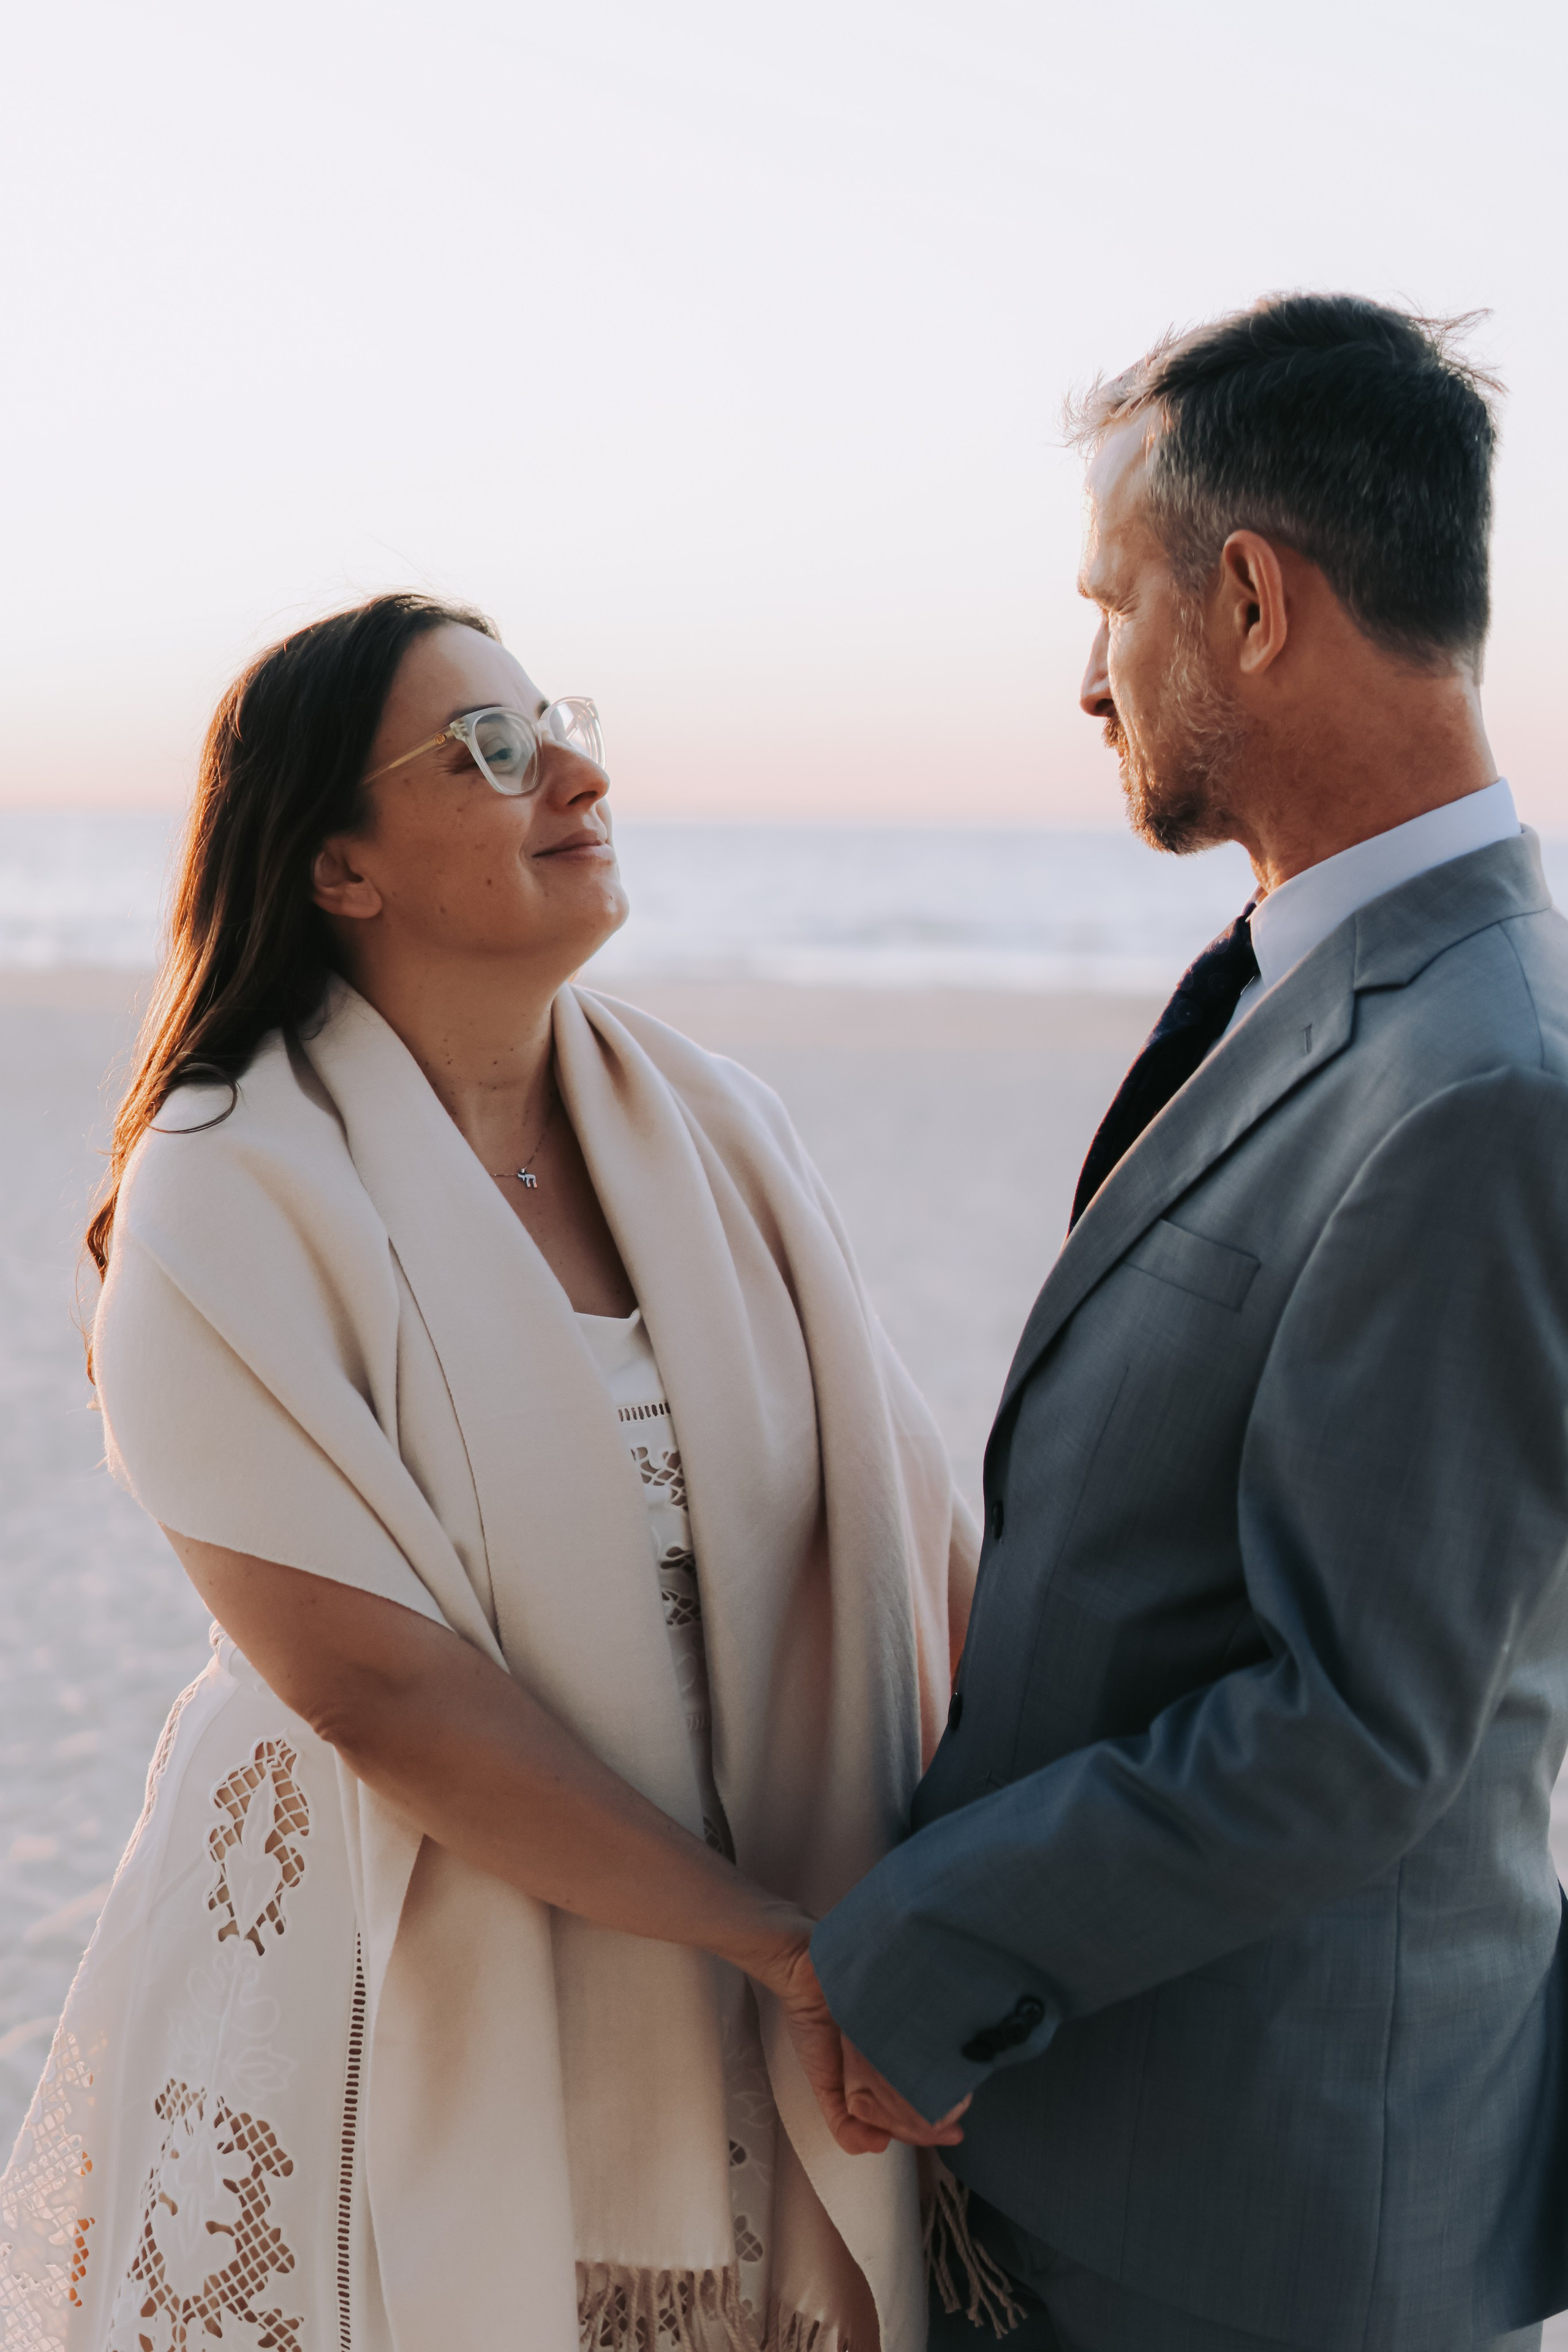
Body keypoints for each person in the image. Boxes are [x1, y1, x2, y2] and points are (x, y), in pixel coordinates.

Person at [0, 592, 976, 2351]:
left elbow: (922, 1541)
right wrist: (777, 1944)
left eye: (557, 721)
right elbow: (373, 1682)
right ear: (340, 867)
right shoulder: (228, 1187)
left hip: (743, 1962)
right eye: (491, 750)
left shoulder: (723, 1133)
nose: (576, 772)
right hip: (378, 1970)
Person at [810, 296, 1568, 2350]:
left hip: (1259, 2225)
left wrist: (930, 1945)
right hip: (1144, 2139)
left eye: (1112, 604)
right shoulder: (1335, 984)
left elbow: (1360, 1727)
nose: (1088, 678)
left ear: (1249, 598)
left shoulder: (1488, 1082)